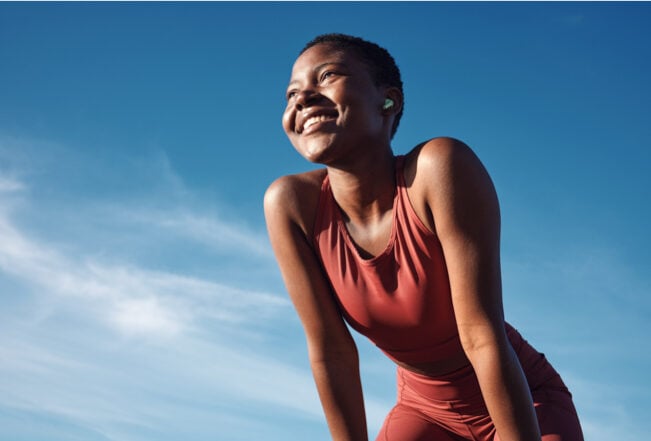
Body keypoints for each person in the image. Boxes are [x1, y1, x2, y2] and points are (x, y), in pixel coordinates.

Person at [264, 33, 584, 441]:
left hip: (523, 401)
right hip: (423, 412)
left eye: (327, 76)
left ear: (389, 102)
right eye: (291, 93)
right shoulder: (290, 205)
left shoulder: (438, 169)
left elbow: (481, 336)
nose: (302, 98)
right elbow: (332, 352)